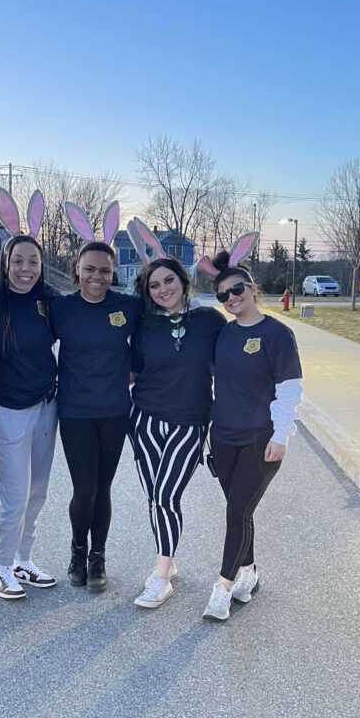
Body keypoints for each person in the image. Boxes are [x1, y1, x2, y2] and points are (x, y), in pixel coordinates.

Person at [198, 244, 303, 622]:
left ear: (252, 288)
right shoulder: (223, 335)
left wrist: (282, 436)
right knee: (239, 512)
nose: (230, 298)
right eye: (223, 294)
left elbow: (289, 389)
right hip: (223, 437)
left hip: (260, 440)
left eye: (237, 290)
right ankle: (250, 573)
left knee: (237, 511)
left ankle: (222, 587)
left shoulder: (278, 334)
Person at [126, 221, 225, 609]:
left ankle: (160, 577)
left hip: (190, 421)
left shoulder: (209, 322)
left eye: (169, 281)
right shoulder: (145, 324)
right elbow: (130, 369)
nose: (163, 289)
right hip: (145, 420)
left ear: (183, 281)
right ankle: (169, 559)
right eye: (154, 285)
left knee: (167, 494)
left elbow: (231, 368)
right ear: (147, 292)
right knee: (155, 497)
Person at [49, 200, 141, 592]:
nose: (97, 277)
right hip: (74, 412)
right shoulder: (61, 309)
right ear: (77, 271)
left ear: (113, 272)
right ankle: (76, 549)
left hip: (115, 411)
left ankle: (98, 556)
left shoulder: (128, 307)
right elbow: (28, 344)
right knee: (83, 489)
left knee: (103, 489)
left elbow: (158, 335)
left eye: (104, 270)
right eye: (89, 269)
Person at [0, 187, 59, 602]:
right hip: (8, 409)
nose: (26, 269)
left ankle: (21, 560)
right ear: (6, 262)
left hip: (47, 405)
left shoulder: (49, 299)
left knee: (38, 491)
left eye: (33, 261)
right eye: (18, 261)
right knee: (13, 496)